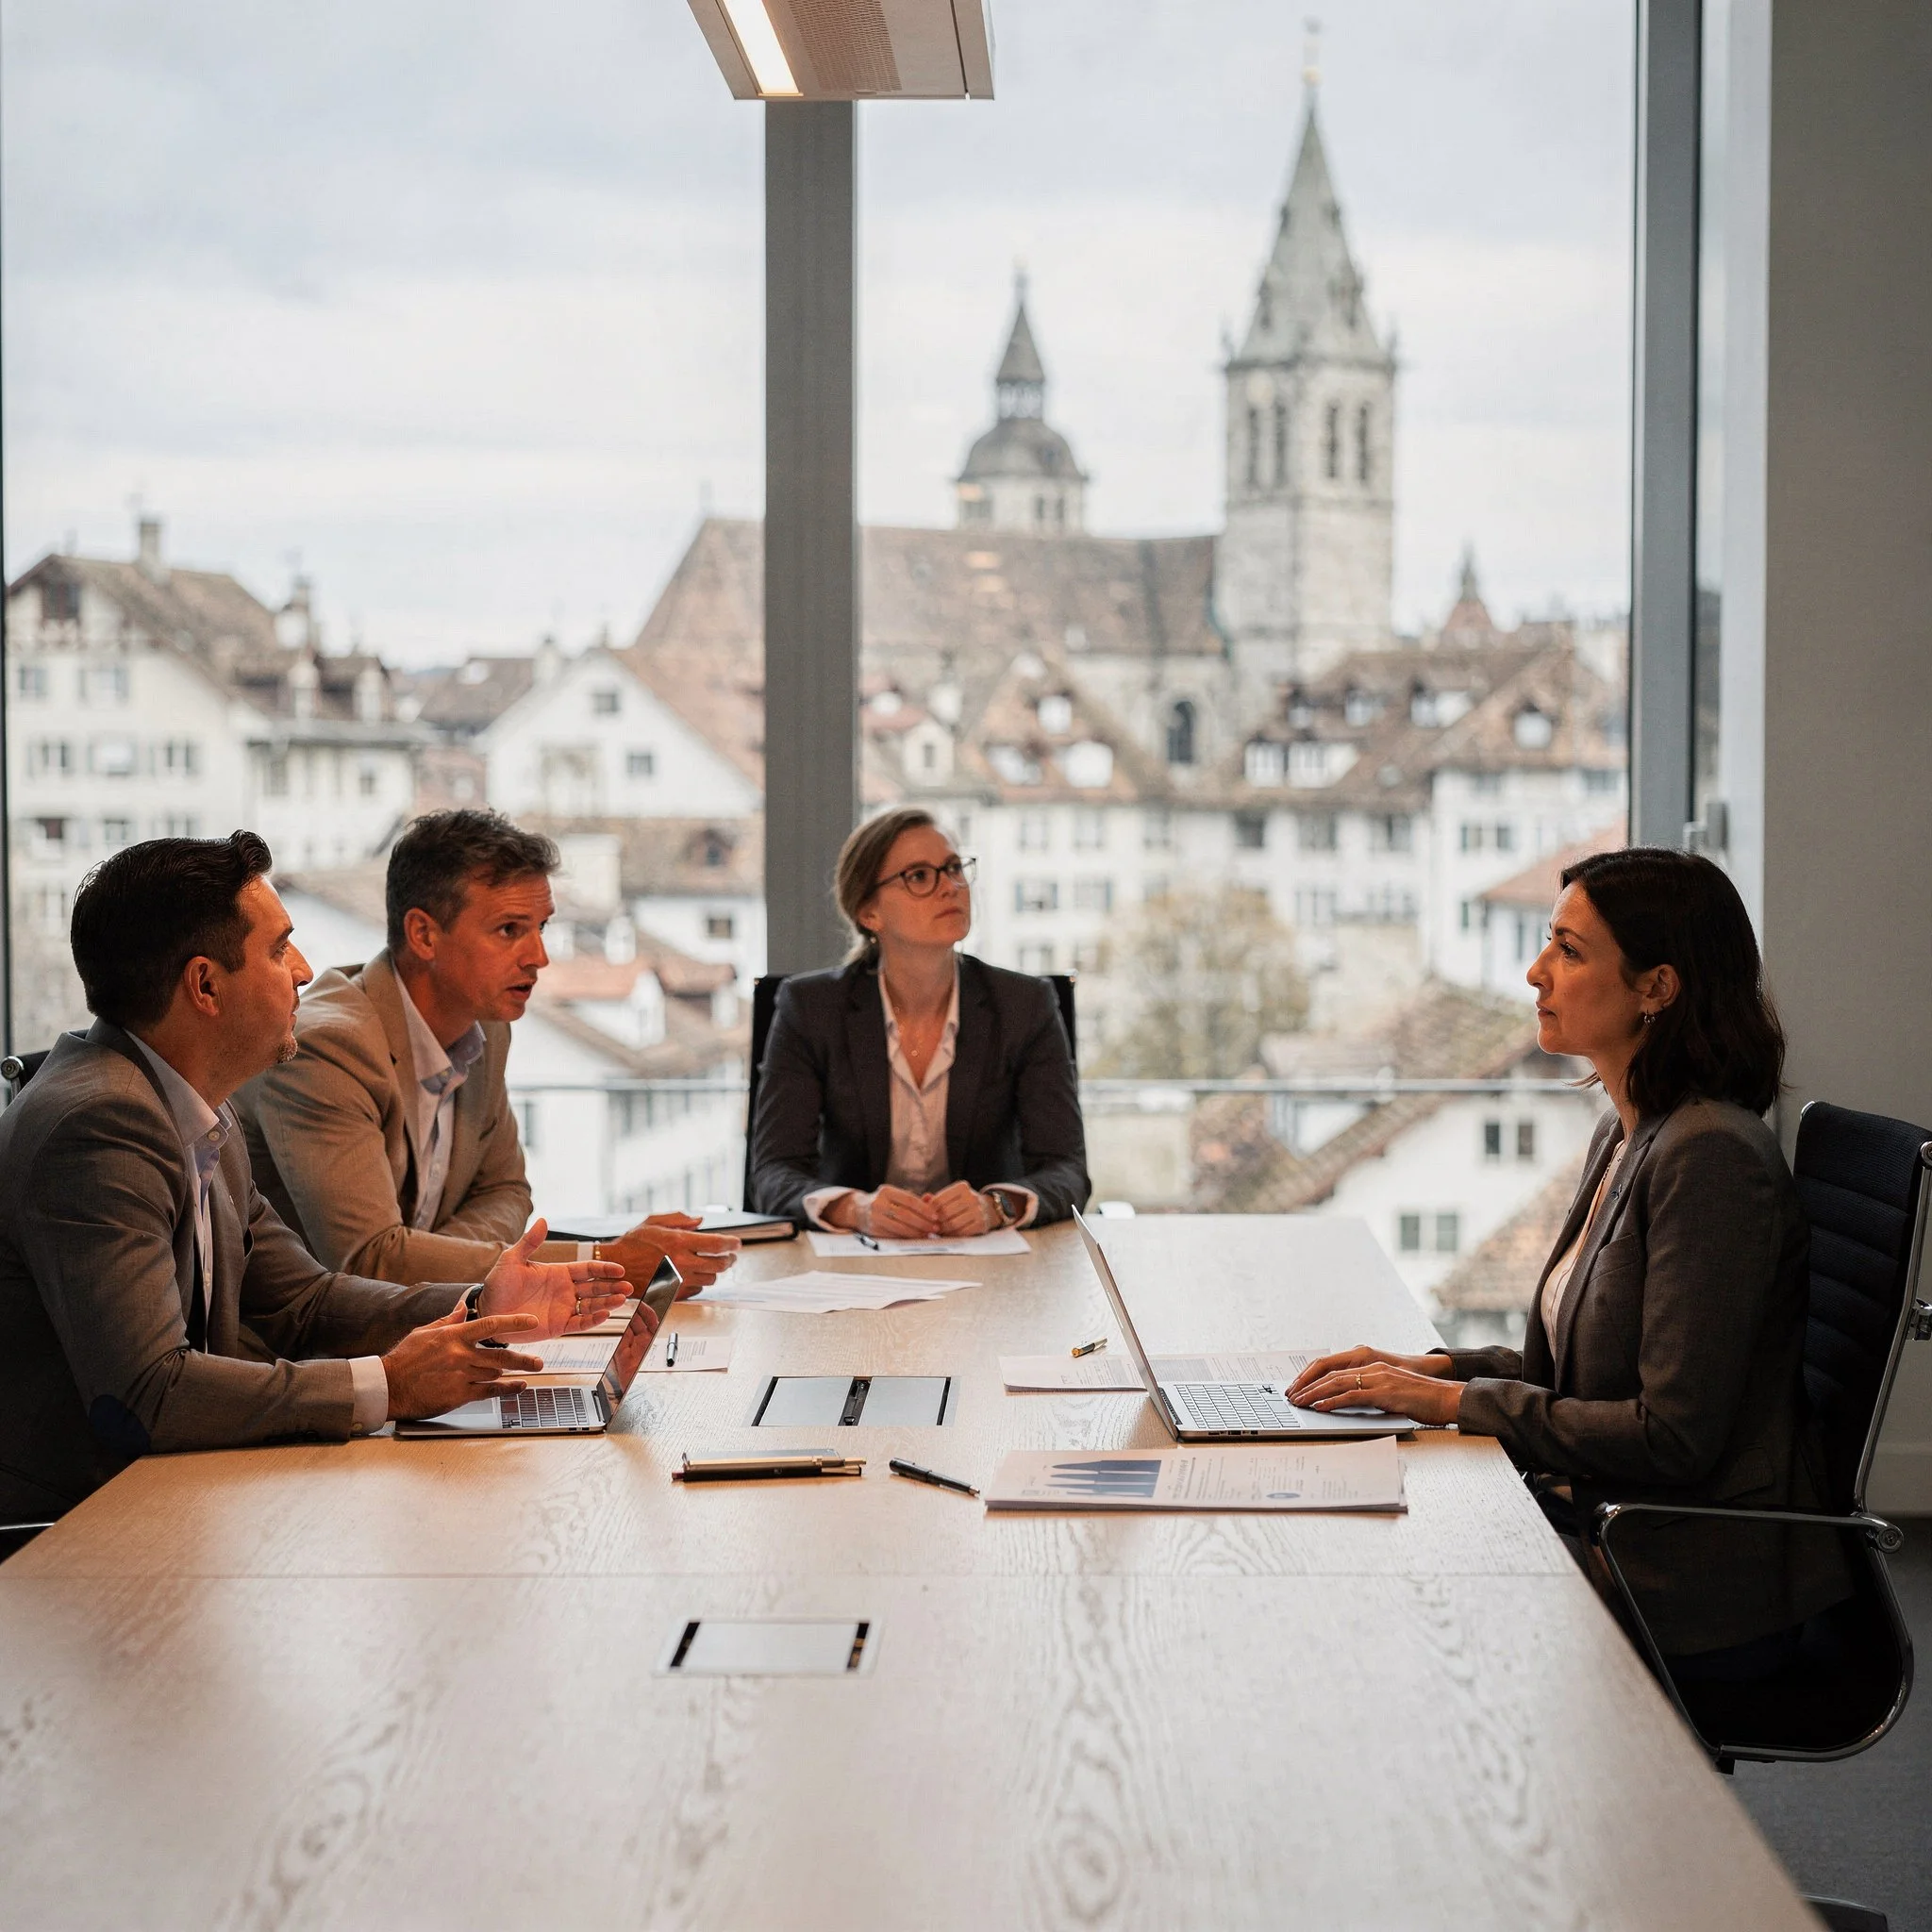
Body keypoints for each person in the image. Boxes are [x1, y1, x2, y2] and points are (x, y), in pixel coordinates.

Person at [1290, 847, 1848, 1668]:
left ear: (1658, 987)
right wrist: (1432, 1370)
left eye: (1570, 951)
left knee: (1382, 1596)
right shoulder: (1631, 1131)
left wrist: (1448, 1405)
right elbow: (1587, 1375)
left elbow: (1671, 1438)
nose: (1534, 972)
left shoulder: (1711, 1156)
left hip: (1679, 1566)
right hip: (1606, 1514)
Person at [0, 834, 631, 1524]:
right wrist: (387, 1385)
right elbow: (148, 1393)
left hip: (171, 1504)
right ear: (206, 985)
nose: (303, 971)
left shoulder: (200, 1108)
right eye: (278, 949)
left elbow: (303, 1302)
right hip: (67, 1540)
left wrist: (481, 1304)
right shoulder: (102, 1123)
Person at [237, 809, 736, 1300]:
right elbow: (371, 1260)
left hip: (430, 1328)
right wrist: (599, 1262)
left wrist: (426, 1255)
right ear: (424, 934)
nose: (539, 956)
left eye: (541, 927)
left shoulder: (486, 1026)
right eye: (510, 930)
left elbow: (508, 1191)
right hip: (301, 1361)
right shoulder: (326, 1048)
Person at [750, 806, 1089, 1235]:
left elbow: (1067, 1169)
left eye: (953, 868)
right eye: (919, 876)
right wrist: (857, 1209)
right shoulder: (811, 1008)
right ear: (868, 913)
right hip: (856, 1268)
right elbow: (772, 1172)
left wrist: (996, 1205)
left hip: (990, 1264)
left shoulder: (1024, 1004)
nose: (950, 887)